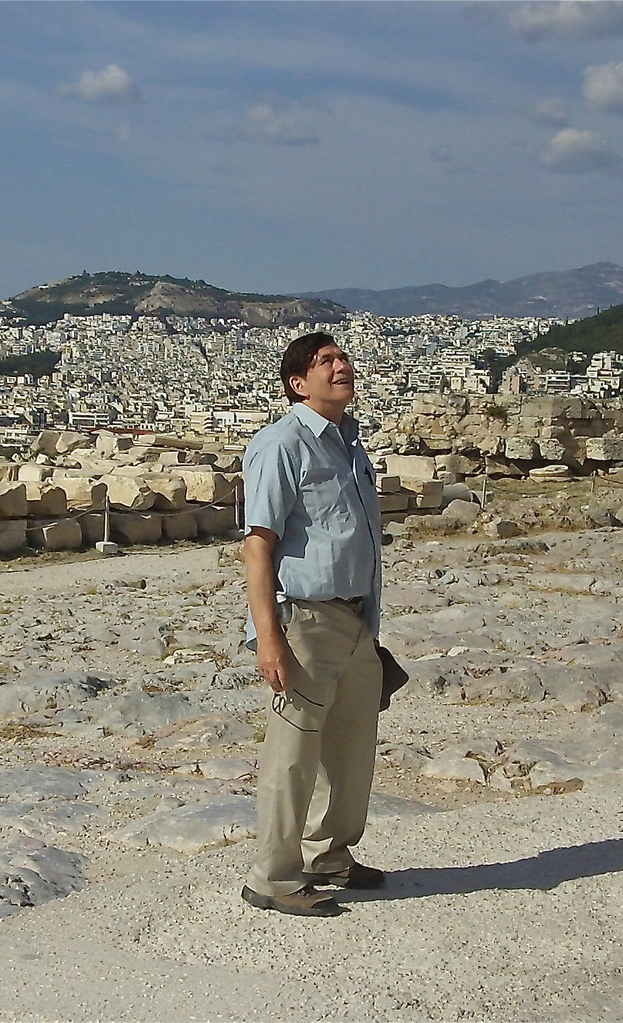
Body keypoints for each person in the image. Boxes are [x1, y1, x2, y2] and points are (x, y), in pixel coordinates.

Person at [239, 331, 386, 918]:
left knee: (353, 751)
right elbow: (257, 547)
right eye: (326, 361)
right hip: (306, 620)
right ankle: (273, 878)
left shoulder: (351, 444)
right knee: (293, 754)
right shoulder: (281, 444)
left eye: (343, 356)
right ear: (298, 383)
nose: (341, 364)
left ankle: (332, 857)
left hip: (356, 619)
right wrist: (268, 635)